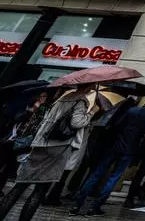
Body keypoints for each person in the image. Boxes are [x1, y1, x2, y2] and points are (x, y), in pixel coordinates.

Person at [0, 84, 94, 221]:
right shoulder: (81, 100)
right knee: (40, 191)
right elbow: (76, 123)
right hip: (58, 148)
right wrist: (91, 113)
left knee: (19, 186)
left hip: (41, 145)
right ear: (90, 86)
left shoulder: (62, 98)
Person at [70, 96, 145, 216]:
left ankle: (77, 205)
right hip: (129, 150)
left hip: (115, 146)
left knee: (96, 174)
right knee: (114, 177)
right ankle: (95, 207)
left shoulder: (131, 110)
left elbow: (117, 125)